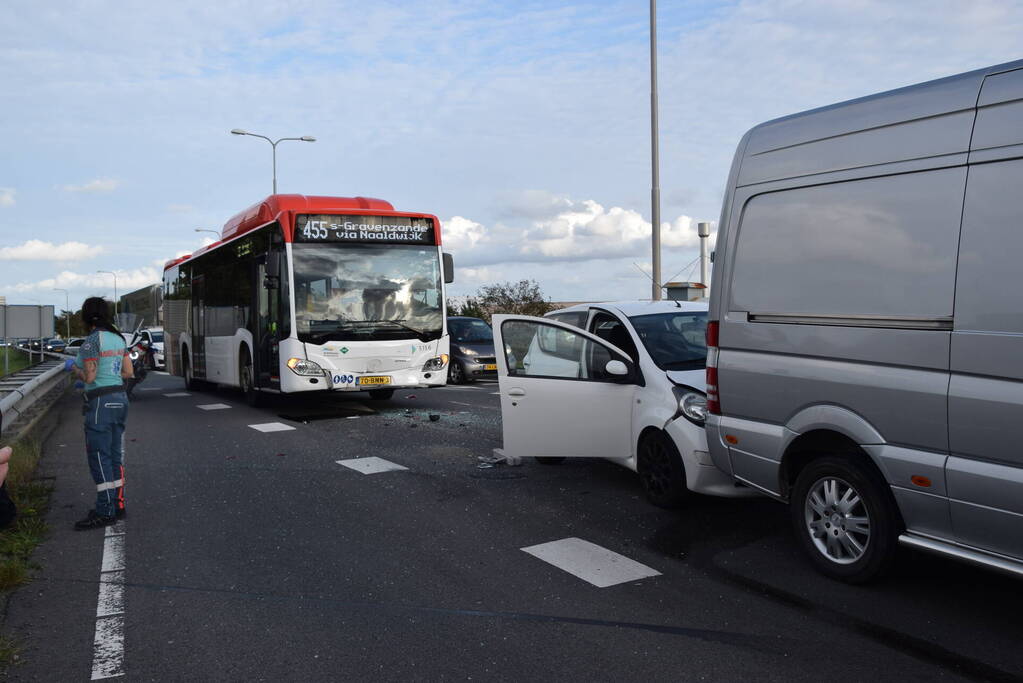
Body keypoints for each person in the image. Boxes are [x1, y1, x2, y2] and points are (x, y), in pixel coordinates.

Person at [69, 297, 132, 530]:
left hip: (100, 403)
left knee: (98, 456)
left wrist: (74, 369)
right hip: (120, 399)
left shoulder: (91, 342)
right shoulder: (118, 338)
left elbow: (90, 377)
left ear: (86, 317)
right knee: (115, 455)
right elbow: (128, 372)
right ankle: (118, 504)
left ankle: (105, 511)